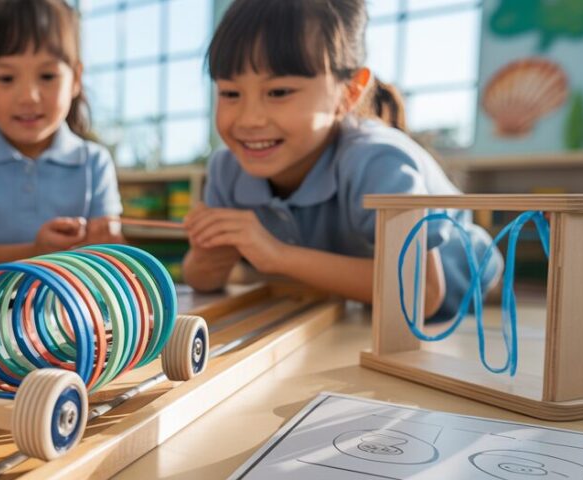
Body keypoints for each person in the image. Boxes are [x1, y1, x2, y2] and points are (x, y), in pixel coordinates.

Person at [183, 0, 501, 322]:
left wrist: (277, 256)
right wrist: (205, 257)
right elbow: (204, 278)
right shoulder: (227, 169)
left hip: (467, 287)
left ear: (348, 93)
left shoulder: (376, 161)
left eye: (278, 92)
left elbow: (424, 293)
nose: (249, 119)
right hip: (360, 304)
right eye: (230, 94)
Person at [0, 0, 123, 278]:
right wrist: (35, 252)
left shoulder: (95, 162)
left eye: (47, 76)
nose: (29, 96)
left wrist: (109, 245)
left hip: (72, 316)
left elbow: (112, 258)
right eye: (6, 78)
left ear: (76, 78)